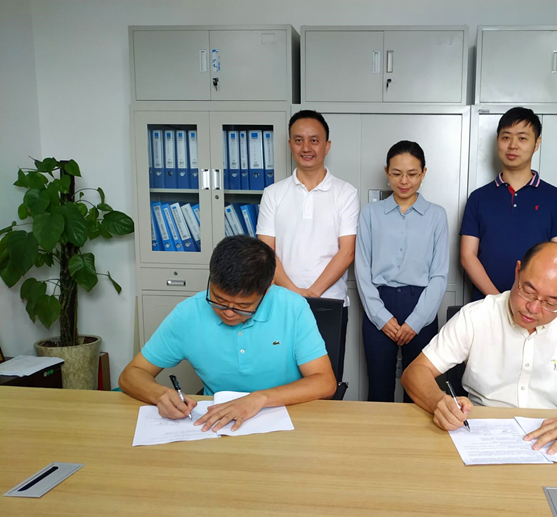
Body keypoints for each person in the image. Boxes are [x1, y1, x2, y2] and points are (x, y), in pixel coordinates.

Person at [401, 242, 557, 455]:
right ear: (517, 272)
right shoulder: (476, 316)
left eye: (551, 303)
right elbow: (416, 371)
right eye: (528, 292)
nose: (533, 308)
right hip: (482, 436)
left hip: (555, 439)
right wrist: (438, 401)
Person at [119, 236, 337, 432]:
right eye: (219, 300)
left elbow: (325, 382)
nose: (229, 313)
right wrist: (160, 395)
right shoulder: (188, 314)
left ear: (267, 288)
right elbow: (131, 374)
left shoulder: (293, 308)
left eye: (243, 306)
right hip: (217, 426)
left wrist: (259, 399)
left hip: (288, 422)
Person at [256, 110, 360, 377]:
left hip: (330, 304)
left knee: (326, 382)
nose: (306, 147)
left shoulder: (346, 193)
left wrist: (311, 294)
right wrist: (294, 293)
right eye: (298, 140)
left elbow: (347, 252)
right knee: (280, 378)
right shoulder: (273, 193)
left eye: (314, 140)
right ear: (290, 144)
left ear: (327, 145)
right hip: (280, 302)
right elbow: (265, 253)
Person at [355, 141, 449, 402]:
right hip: (378, 305)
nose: (404, 181)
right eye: (396, 173)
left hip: (421, 306)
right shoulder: (370, 214)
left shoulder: (437, 215)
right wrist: (381, 317)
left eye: (412, 174)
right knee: (378, 389)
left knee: (418, 393)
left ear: (423, 173)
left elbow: (439, 274)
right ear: (387, 172)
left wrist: (416, 321)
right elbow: (362, 269)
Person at [460, 106, 557, 302]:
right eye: (506, 137)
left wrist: (529, 300)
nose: (513, 145)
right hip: (486, 304)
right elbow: (467, 256)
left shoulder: (555, 198)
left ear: (536, 143)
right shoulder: (478, 198)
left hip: (536, 307)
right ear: (498, 141)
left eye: (522, 138)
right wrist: (497, 301)